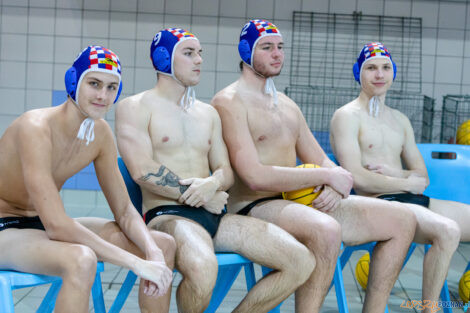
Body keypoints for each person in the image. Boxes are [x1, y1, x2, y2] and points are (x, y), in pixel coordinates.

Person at [213, 20, 417, 313]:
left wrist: (332, 183)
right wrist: (326, 175)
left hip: (299, 201)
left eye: (280, 47)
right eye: (267, 47)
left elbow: (322, 159)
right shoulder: (229, 101)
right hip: (254, 205)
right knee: (326, 230)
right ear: (246, 51)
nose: (277, 54)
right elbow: (254, 176)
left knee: (403, 219)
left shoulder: (286, 105)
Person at [115, 28, 315, 313]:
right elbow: (141, 169)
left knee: (301, 260)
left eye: (200, 53)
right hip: (168, 215)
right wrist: (198, 194)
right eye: (189, 53)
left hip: (217, 217)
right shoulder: (135, 107)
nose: (199, 60)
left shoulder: (206, 113)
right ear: (163, 58)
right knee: (204, 267)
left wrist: (213, 185)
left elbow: (226, 170)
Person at [0, 46, 176, 313]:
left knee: (163, 244)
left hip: (40, 226)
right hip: (6, 229)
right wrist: (136, 263)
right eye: (94, 84)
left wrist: (152, 255)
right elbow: (58, 226)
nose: (103, 96)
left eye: (111, 87)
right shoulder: (34, 127)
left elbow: (126, 212)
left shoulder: (100, 134)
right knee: (81, 259)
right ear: (74, 81)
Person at [330, 42, 466, 308]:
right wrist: (404, 181)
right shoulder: (346, 117)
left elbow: (422, 177)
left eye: (385, 68)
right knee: (448, 231)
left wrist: (397, 173)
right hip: (381, 203)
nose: (379, 74)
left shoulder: (400, 120)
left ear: (394, 73)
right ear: (359, 72)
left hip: (412, 198)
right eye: (371, 68)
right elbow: (356, 177)